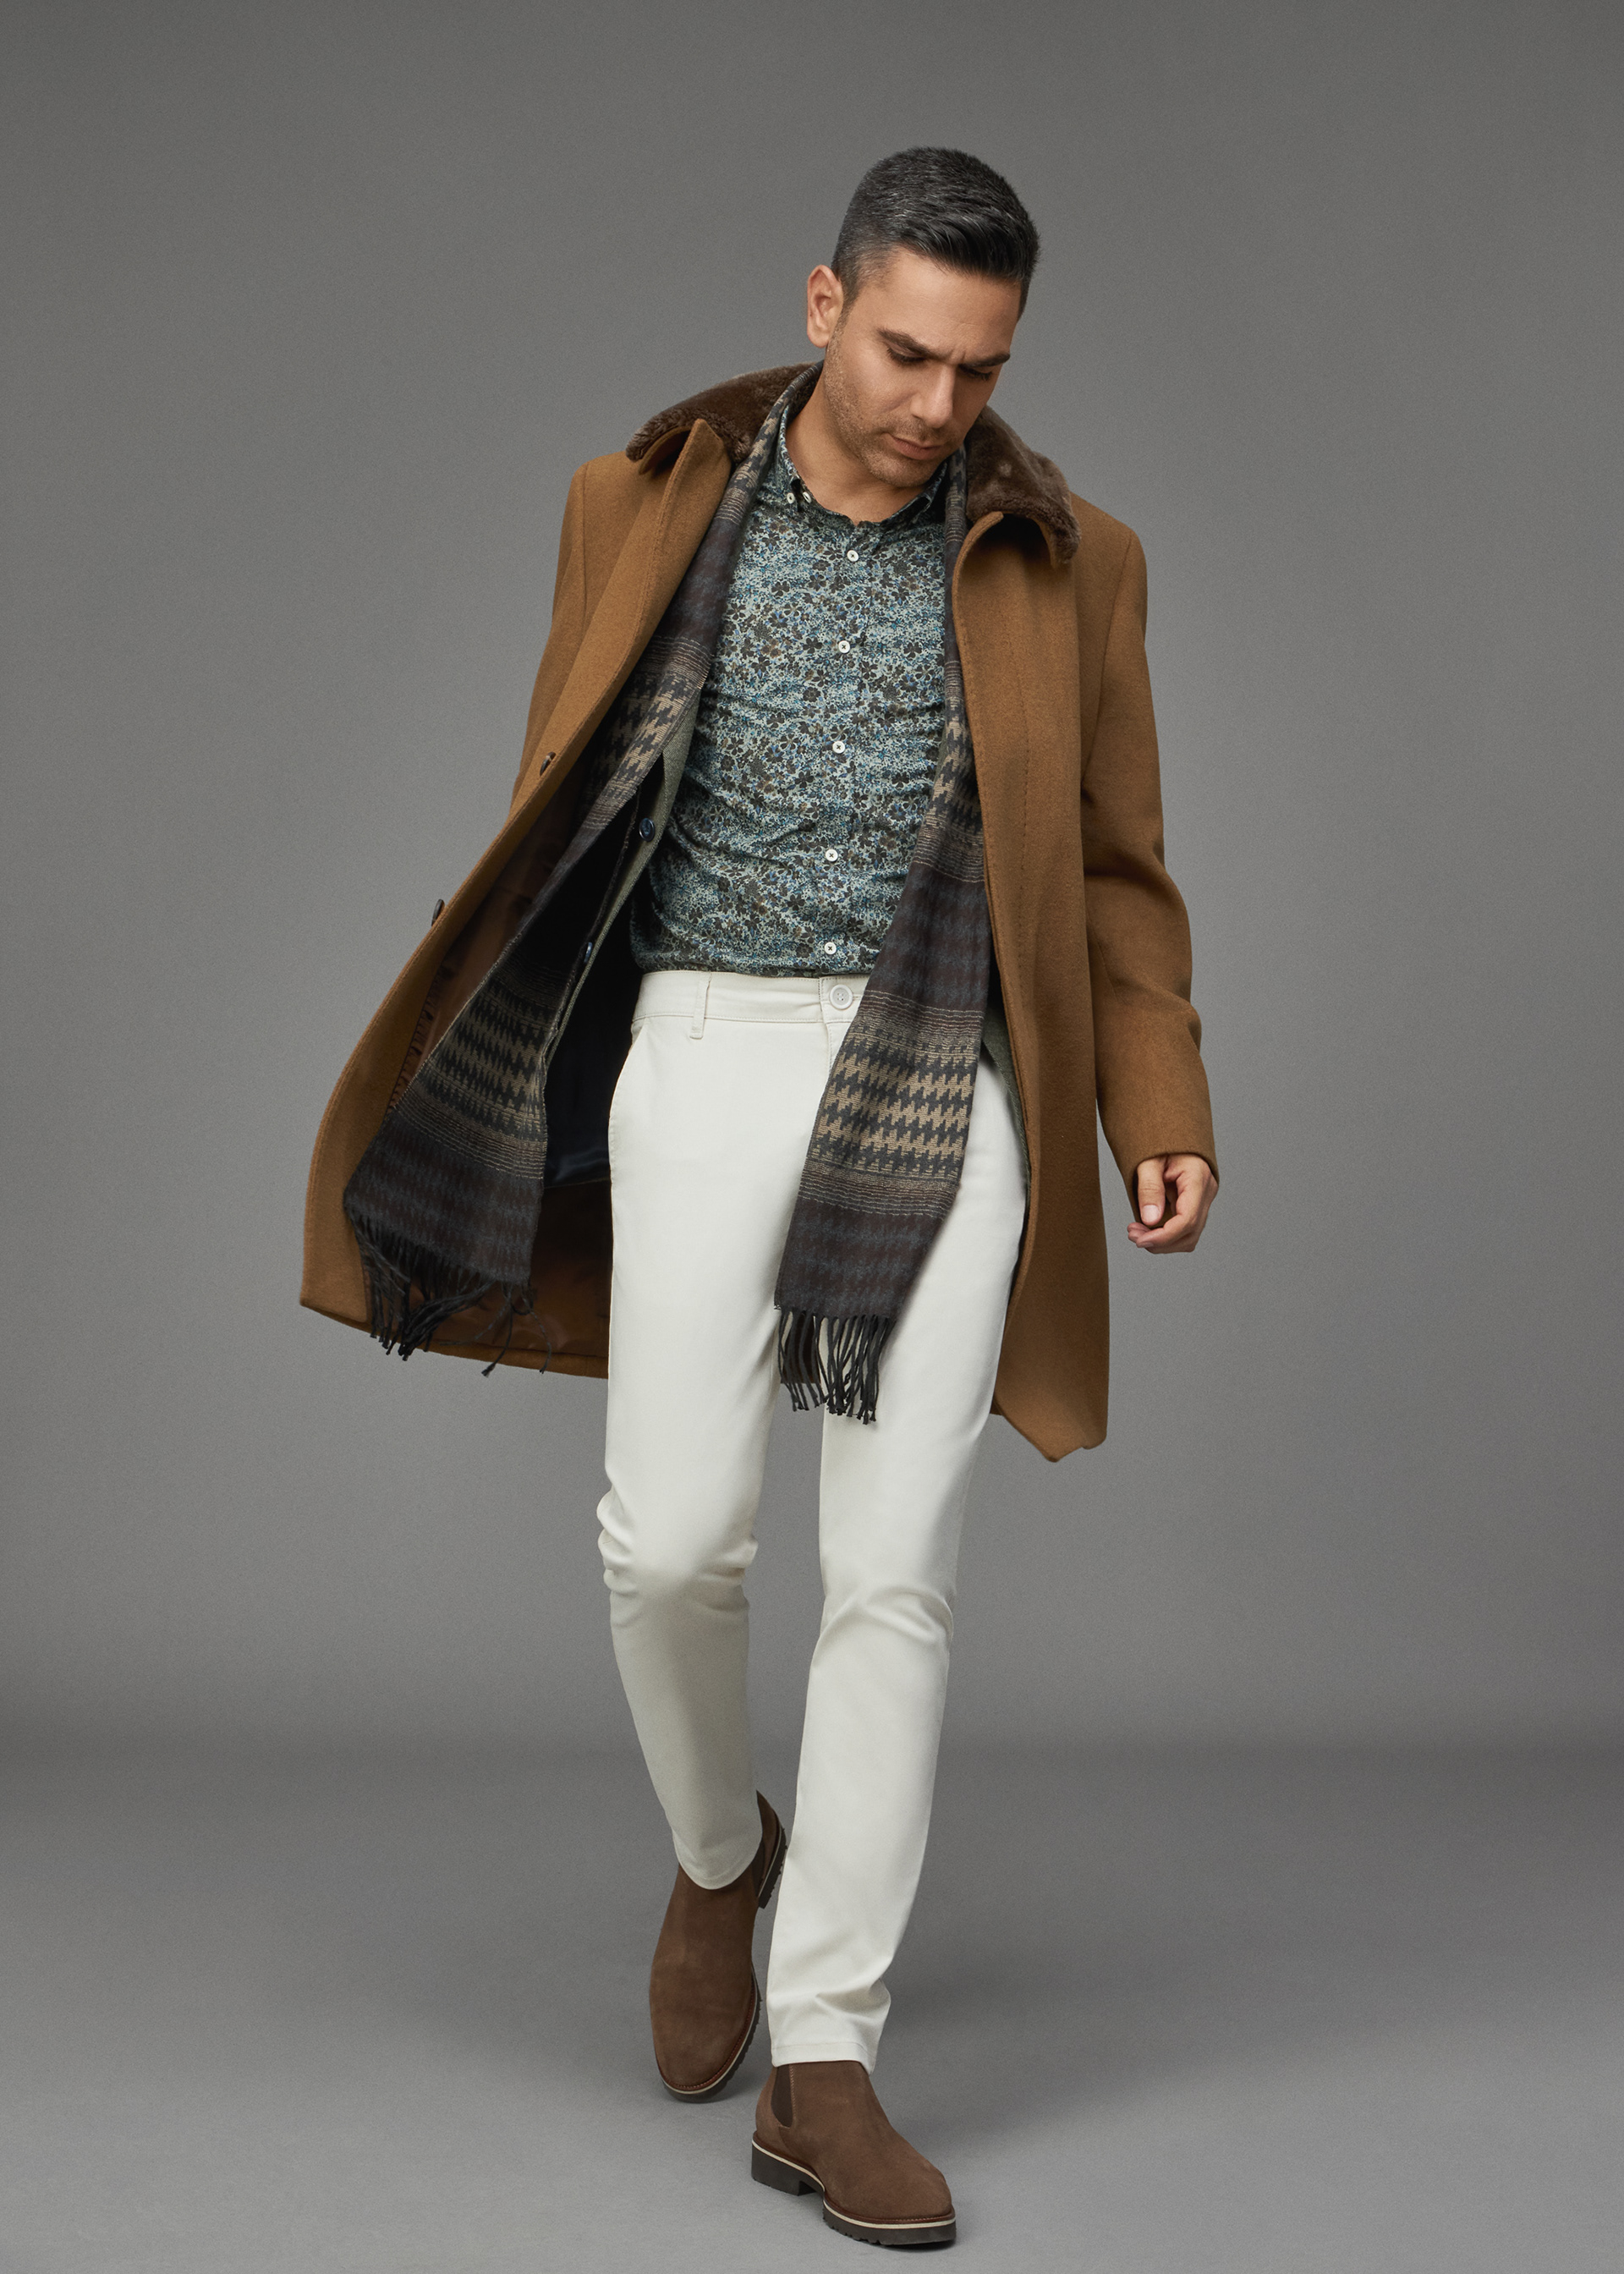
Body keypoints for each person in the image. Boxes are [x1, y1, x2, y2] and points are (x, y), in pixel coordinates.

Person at [302, 146, 1216, 2249]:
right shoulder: (637, 503)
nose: (938, 405)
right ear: (823, 306)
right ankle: (725, 1855)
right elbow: (560, 786)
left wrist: (1156, 1099)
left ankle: (829, 2056)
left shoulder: (1076, 560)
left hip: (949, 1068)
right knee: (669, 1543)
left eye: (981, 370)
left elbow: (1115, 866)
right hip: (705, 1039)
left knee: (895, 1575)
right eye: (905, 353)